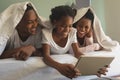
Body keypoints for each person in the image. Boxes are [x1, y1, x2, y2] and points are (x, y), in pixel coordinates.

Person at [42, 5, 107, 79]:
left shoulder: (72, 32)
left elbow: (77, 53)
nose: (67, 30)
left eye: (70, 26)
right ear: (55, 22)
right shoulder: (46, 34)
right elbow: (46, 57)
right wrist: (59, 67)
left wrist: (94, 66)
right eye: (63, 26)